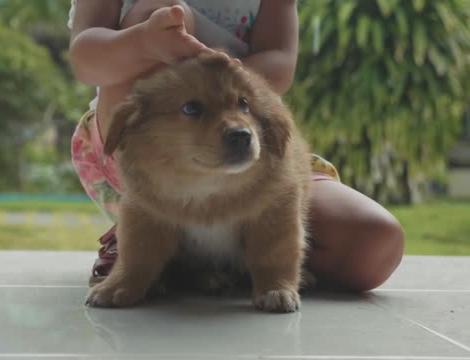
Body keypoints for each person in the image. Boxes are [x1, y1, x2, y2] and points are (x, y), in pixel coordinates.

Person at [67, 0, 405, 292]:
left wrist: (217, 78)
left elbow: (280, 63)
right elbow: (85, 59)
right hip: (144, 163)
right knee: (164, 11)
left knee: (374, 244)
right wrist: (144, 43)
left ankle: (217, 262)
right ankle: (143, 240)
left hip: (251, 155)